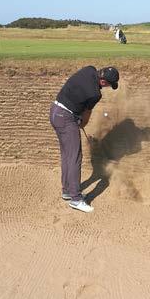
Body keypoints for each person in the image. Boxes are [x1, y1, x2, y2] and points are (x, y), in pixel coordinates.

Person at [49, 66, 120, 213]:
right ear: (103, 81)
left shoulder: (89, 69)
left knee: (67, 155)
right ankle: (75, 199)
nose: (107, 88)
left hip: (55, 111)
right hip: (65, 118)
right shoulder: (94, 94)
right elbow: (86, 116)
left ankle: (67, 190)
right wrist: (80, 123)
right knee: (75, 157)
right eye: (108, 84)